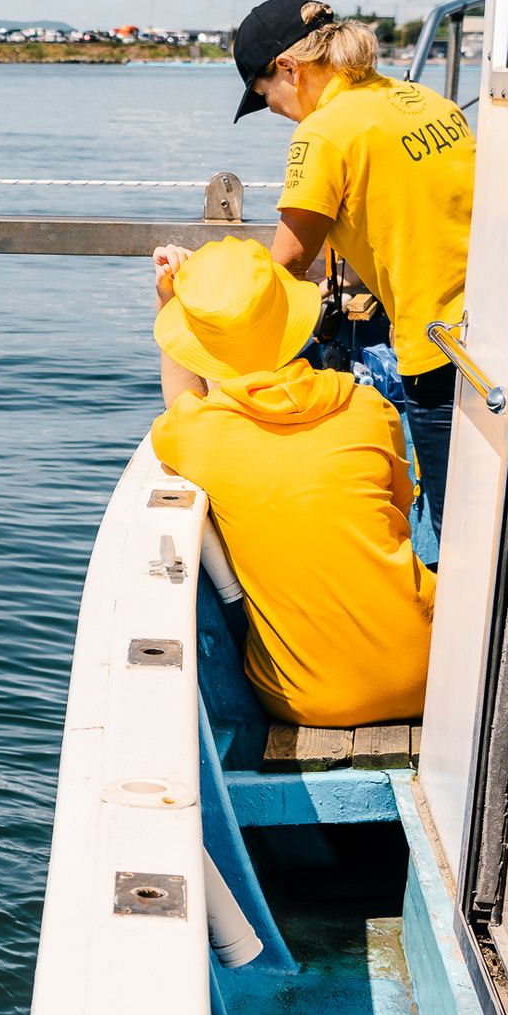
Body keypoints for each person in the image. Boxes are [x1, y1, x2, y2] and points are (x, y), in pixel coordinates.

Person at [149, 236, 436, 726]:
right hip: (430, 672)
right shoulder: (370, 409)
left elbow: (181, 401)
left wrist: (172, 300)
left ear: (196, 344)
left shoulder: (196, 436)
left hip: (309, 702)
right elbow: (401, 515)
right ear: (291, 318)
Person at [233, 0, 474, 528]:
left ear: (289, 70)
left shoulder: (322, 131)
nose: (273, 109)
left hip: (437, 348)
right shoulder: (422, 99)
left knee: (457, 533)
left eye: (264, 95)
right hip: (498, 325)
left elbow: (288, 262)